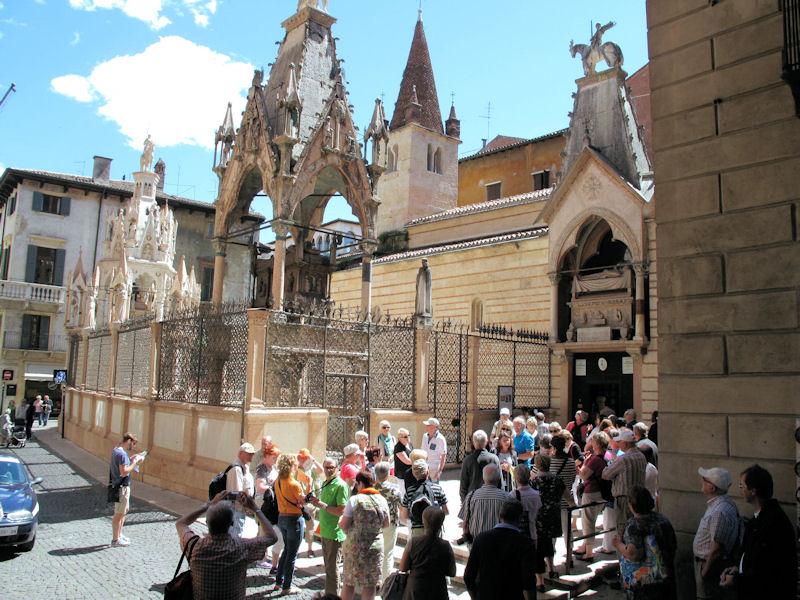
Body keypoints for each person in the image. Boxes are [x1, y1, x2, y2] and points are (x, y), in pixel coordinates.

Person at [175, 490, 278, 600]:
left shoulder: (194, 546)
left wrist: (208, 505)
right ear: (231, 523)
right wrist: (255, 508)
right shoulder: (242, 547)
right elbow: (272, 537)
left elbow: (181, 523)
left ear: (207, 522)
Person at [720, 464, 797, 598]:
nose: (740, 489)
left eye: (742, 486)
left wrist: (737, 581)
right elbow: (751, 557)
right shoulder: (758, 520)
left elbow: (766, 570)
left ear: (753, 491)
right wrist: (738, 568)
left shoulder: (773, 523)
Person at [463, 499, 537, 600]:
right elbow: (528, 581)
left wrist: (475, 597)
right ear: (520, 518)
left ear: (500, 515)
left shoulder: (481, 538)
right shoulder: (525, 543)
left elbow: (468, 576)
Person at [613, 485, 677, 599]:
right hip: (665, 576)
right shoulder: (662, 520)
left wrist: (618, 544)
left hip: (644, 584)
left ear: (631, 505)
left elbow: (633, 554)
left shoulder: (634, 526)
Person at [339, 469, 390, 600]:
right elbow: (386, 524)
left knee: (349, 582)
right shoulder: (382, 500)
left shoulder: (354, 500)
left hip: (355, 546)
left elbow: (344, 525)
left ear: (360, 483)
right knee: (370, 584)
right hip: (375, 546)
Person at [693, 467, 740, 600]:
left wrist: (704, 572)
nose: (702, 481)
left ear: (712, 488)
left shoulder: (719, 511)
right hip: (709, 565)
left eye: (705, 480)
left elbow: (717, 549)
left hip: (710, 567)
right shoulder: (720, 505)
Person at [308, 457, 350, 597]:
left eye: (332, 467)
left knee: (332, 569)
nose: (328, 470)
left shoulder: (341, 485)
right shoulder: (326, 482)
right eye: (326, 467)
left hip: (335, 533)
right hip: (325, 530)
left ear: (337, 468)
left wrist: (321, 505)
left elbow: (341, 511)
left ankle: (333, 596)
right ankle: (329, 594)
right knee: (328, 568)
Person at [399, 506, 455, 600]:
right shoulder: (445, 546)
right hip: (437, 591)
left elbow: (403, 567)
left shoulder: (413, 542)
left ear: (423, 522)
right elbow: (452, 572)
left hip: (415, 590)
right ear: (441, 524)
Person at [274, 453, 307, 595]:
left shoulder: (278, 481)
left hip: (282, 517)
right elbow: (302, 502)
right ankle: (287, 587)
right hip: (294, 519)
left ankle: (278, 582)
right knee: (292, 554)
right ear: (292, 466)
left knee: (286, 550)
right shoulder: (294, 484)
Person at [602, 429, 646, 536]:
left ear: (625, 443)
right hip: (639, 497)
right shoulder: (641, 456)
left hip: (625, 499)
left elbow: (605, 474)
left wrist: (612, 461)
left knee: (624, 528)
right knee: (637, 528)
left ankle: (625, 547)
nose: (618, 444)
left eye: (619, 442)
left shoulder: (623, 459)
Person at [574, 431, 609, 561]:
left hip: (591, 492)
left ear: (597, 444)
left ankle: (589, 553)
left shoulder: (594, 459)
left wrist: (584, 462)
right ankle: (584, 547)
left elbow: (583, 475)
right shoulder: (608, 455)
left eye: (592, 440)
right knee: (591, 520)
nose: (590, 442)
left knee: (588, 522)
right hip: (601, 492)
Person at [109, 432, 145, 546]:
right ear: (129, 441)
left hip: (117, 485)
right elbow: (124, 472)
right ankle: (115, 540)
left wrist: (130, 459)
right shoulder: (122, 454)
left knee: (123, 512)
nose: (133, 447)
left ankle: (119, 535)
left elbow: (121, 465)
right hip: (121, 487)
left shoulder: (116, 450)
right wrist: (134, 462)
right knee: (119, 514)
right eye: (133, 444)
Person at [462, 463, 511, 542]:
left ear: (483, 478)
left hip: (477, 542)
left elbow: (465, 524)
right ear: (499, 478)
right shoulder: (507, 497)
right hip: (499, 542)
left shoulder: (471, 496)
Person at [400, 459, 448, 538]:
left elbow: (404, 516)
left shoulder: (410, 491)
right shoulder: (437, 488)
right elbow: (446, 511)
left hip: (417, 530)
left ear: (413, 474)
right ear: (427, 472)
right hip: (434, 528)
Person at [374, 461, 402, 585]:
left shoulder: (372, 488)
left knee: (375, 553)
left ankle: (375, 581)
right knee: (388, 553)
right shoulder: (394, 488)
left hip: (374, 523)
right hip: (391, 523)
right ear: (388, 474)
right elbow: (402, 505)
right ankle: (386, 583)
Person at [254, 446, 281, 571]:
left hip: (271, 503)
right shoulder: (262, 468)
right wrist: (272, 488)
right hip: (263, 503)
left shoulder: (273, 467)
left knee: (265, 529)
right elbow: (260, 487)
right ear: (266, 456)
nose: (276, 459)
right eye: (273, 457)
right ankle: (261, 559)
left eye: (277, 457)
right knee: (263, 530)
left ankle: (260, 554)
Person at [459, 430, 500, 504]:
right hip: (491, 499)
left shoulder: (467, 460)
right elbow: (500, 482)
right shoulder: (494, 459)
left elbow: (463, 485)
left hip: (472, 500)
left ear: (473, 442)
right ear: (486, 441)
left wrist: (464, 503)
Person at [295, 448, 322, 559]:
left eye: (305, 458)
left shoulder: (310, 469)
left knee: (310, 526)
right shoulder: (295, 469)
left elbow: (321, 470)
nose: (303, 460)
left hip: (309, 502)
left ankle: (309, 549)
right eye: (301, 458)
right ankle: (296, 549)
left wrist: (313, 460)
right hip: (298, 502)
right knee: (297, 527)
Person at [226, 442, 256, 537]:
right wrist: (247, 506)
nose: (251, 456)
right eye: (248, 453)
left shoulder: (245, 467)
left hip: (241, 509)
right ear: (240, 453)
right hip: (236, 509)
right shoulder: (237, 469)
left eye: (252, 454)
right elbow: (237, 493)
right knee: (235, 535)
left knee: (238, 533)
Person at [421, 418, 447, 482]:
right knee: (424, 486)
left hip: (434, 469)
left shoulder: (440, 439)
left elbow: (443, 455)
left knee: (434, 487)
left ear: (434, 427)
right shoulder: (425, 436)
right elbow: (422, 451)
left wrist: (440, 471)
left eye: (428, 425)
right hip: (424, 467)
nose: (426, 427)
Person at [393, 428, 413, 494]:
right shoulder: (398, 447)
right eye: (405, 437)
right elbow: (407, 461)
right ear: (399, 438)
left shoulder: (409, 444)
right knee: (403, 493)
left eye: (408, 435)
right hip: (402, 476)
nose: (407, 438)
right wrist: (418, 461)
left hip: (410, 474)